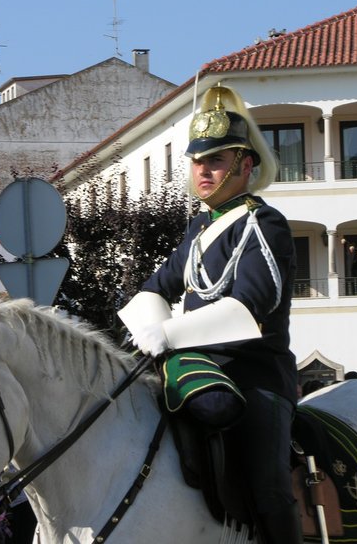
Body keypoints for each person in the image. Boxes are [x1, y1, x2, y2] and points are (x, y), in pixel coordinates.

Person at [118, 85, 302, 543]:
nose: (203, 169)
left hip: (255, 374)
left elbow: (250, 305)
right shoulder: (198, 230)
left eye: (216, 160)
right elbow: (153, 289)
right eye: (198, 160)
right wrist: (148, 335)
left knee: (267, 486)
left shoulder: (264, 224)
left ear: (246, 165)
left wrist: (169, 333)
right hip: (196, 370)